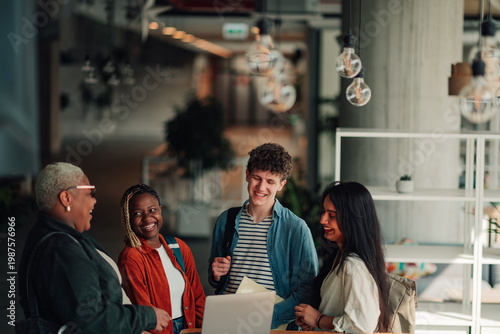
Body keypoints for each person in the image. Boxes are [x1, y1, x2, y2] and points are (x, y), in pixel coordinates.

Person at [18, 162, 170, 333]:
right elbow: (91, 318)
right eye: (90, 193)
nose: (95, 201)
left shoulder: (61, 237)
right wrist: (147, 317)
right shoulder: (60, 250)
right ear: (66, 198)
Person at [208, 143, 318, 329]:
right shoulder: (226, 220)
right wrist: (216, 273)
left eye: (270, 181)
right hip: (227, 319)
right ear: (247, 175)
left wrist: (266, 318)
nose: (261, 187)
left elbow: (307, 291)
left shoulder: (296, 228)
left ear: (282, 185)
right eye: (256, 178)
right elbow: (214, 277)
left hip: (272, 325)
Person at [294, 181, 390, 334]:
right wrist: (313, 322)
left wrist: (318, 319)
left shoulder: (353, 266)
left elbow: (363, 325)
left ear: (352, 220)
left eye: (331, 215)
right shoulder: (338, 256)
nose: (322, 220)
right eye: (323, 212)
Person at [118, 184, 206, 334]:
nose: (147, 218)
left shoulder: (179, 247)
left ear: (160, 210)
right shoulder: (131, 257)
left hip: (188, 328)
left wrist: (204, 328)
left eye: (152, 210)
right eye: (138, 214)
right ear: (128, 219)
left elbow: (197, 297)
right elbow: (144, 310)